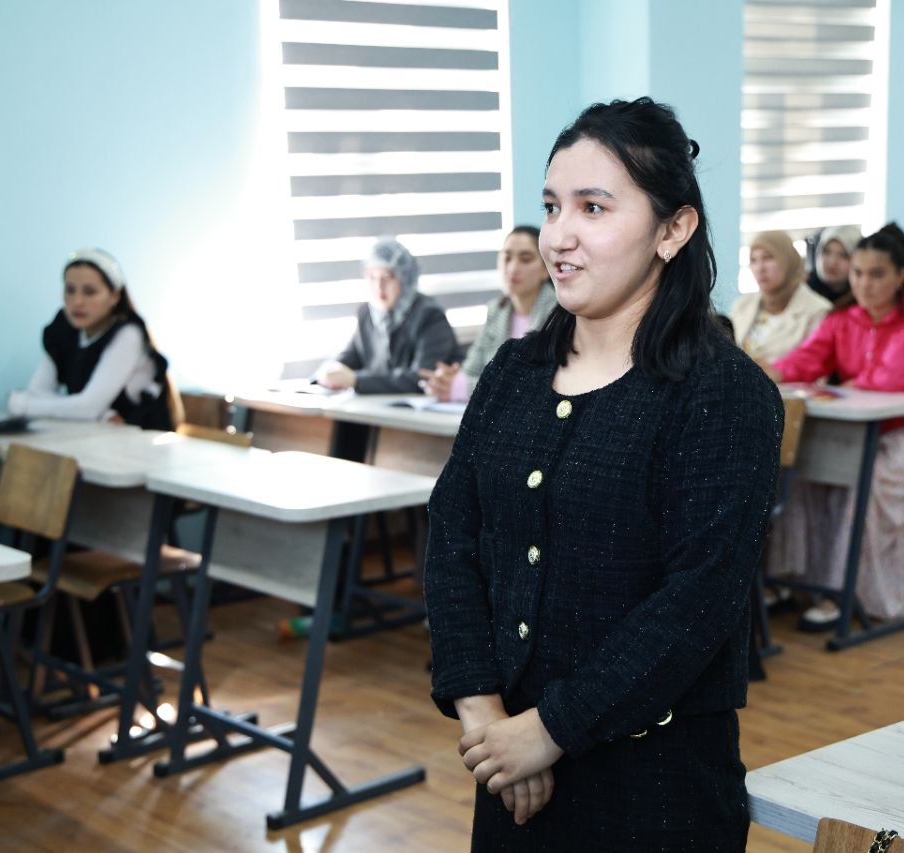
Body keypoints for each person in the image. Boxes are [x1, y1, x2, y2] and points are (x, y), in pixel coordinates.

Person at [424, 97, 783, 850]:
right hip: (509, 778)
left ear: (672, 230)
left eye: (593, 207)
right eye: (552, 206)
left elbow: (695, 603)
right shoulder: (515, 374)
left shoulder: (724, 394)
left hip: (654, 793)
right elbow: (453, 537)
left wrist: (550, 729)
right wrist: (485, 718)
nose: (559, 236)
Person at [762, 224, 904, 629]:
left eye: (877, 274)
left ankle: (862, 595)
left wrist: (855, 383)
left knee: (871, 480)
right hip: (863, 429)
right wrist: (771, 373)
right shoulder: (845, 317)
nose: (864, 284)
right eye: (857, 273)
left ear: (900, 275)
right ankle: (796, 583)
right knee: (802, 473)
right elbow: (808, 359)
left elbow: (897, 378)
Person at [8, 248, 180, 430]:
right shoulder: (62, 330)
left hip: (142, 441)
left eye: (89, 292)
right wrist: (101, 414)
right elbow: (37, 392)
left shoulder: (128, 334)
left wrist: (22, 404)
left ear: (114, 296)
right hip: (95, 438)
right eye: (70, 290)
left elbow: (87, 407)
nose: (77, 302)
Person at [419, 226, 558, 403]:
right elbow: (471, 369)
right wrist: (448, 380)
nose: (512, 268)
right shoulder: (496, 311)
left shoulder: (559, 313)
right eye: (507, 258)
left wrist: (462, 388)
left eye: (525, 259)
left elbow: (531, 385)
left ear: (546, 269)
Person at [314, 237, 460, 393]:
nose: (379, 286)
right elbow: (349, 357)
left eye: (387, 277)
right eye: (372, 277)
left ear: (405, 278)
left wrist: (355, 380)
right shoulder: (367, 313)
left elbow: (422, 378)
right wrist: (329, 372)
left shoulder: (430, 315)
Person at [730, 230, 831, 362]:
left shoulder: (818, 311)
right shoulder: (741, 305)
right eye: (753, 260)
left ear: (787, 260)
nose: (760, 268)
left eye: (767, 258)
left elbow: (814, 365)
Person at [806, 225, 863, 305]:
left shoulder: (865, 300)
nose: (832, 262)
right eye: (826, 252)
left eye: (843, 255)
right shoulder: (801, 292)